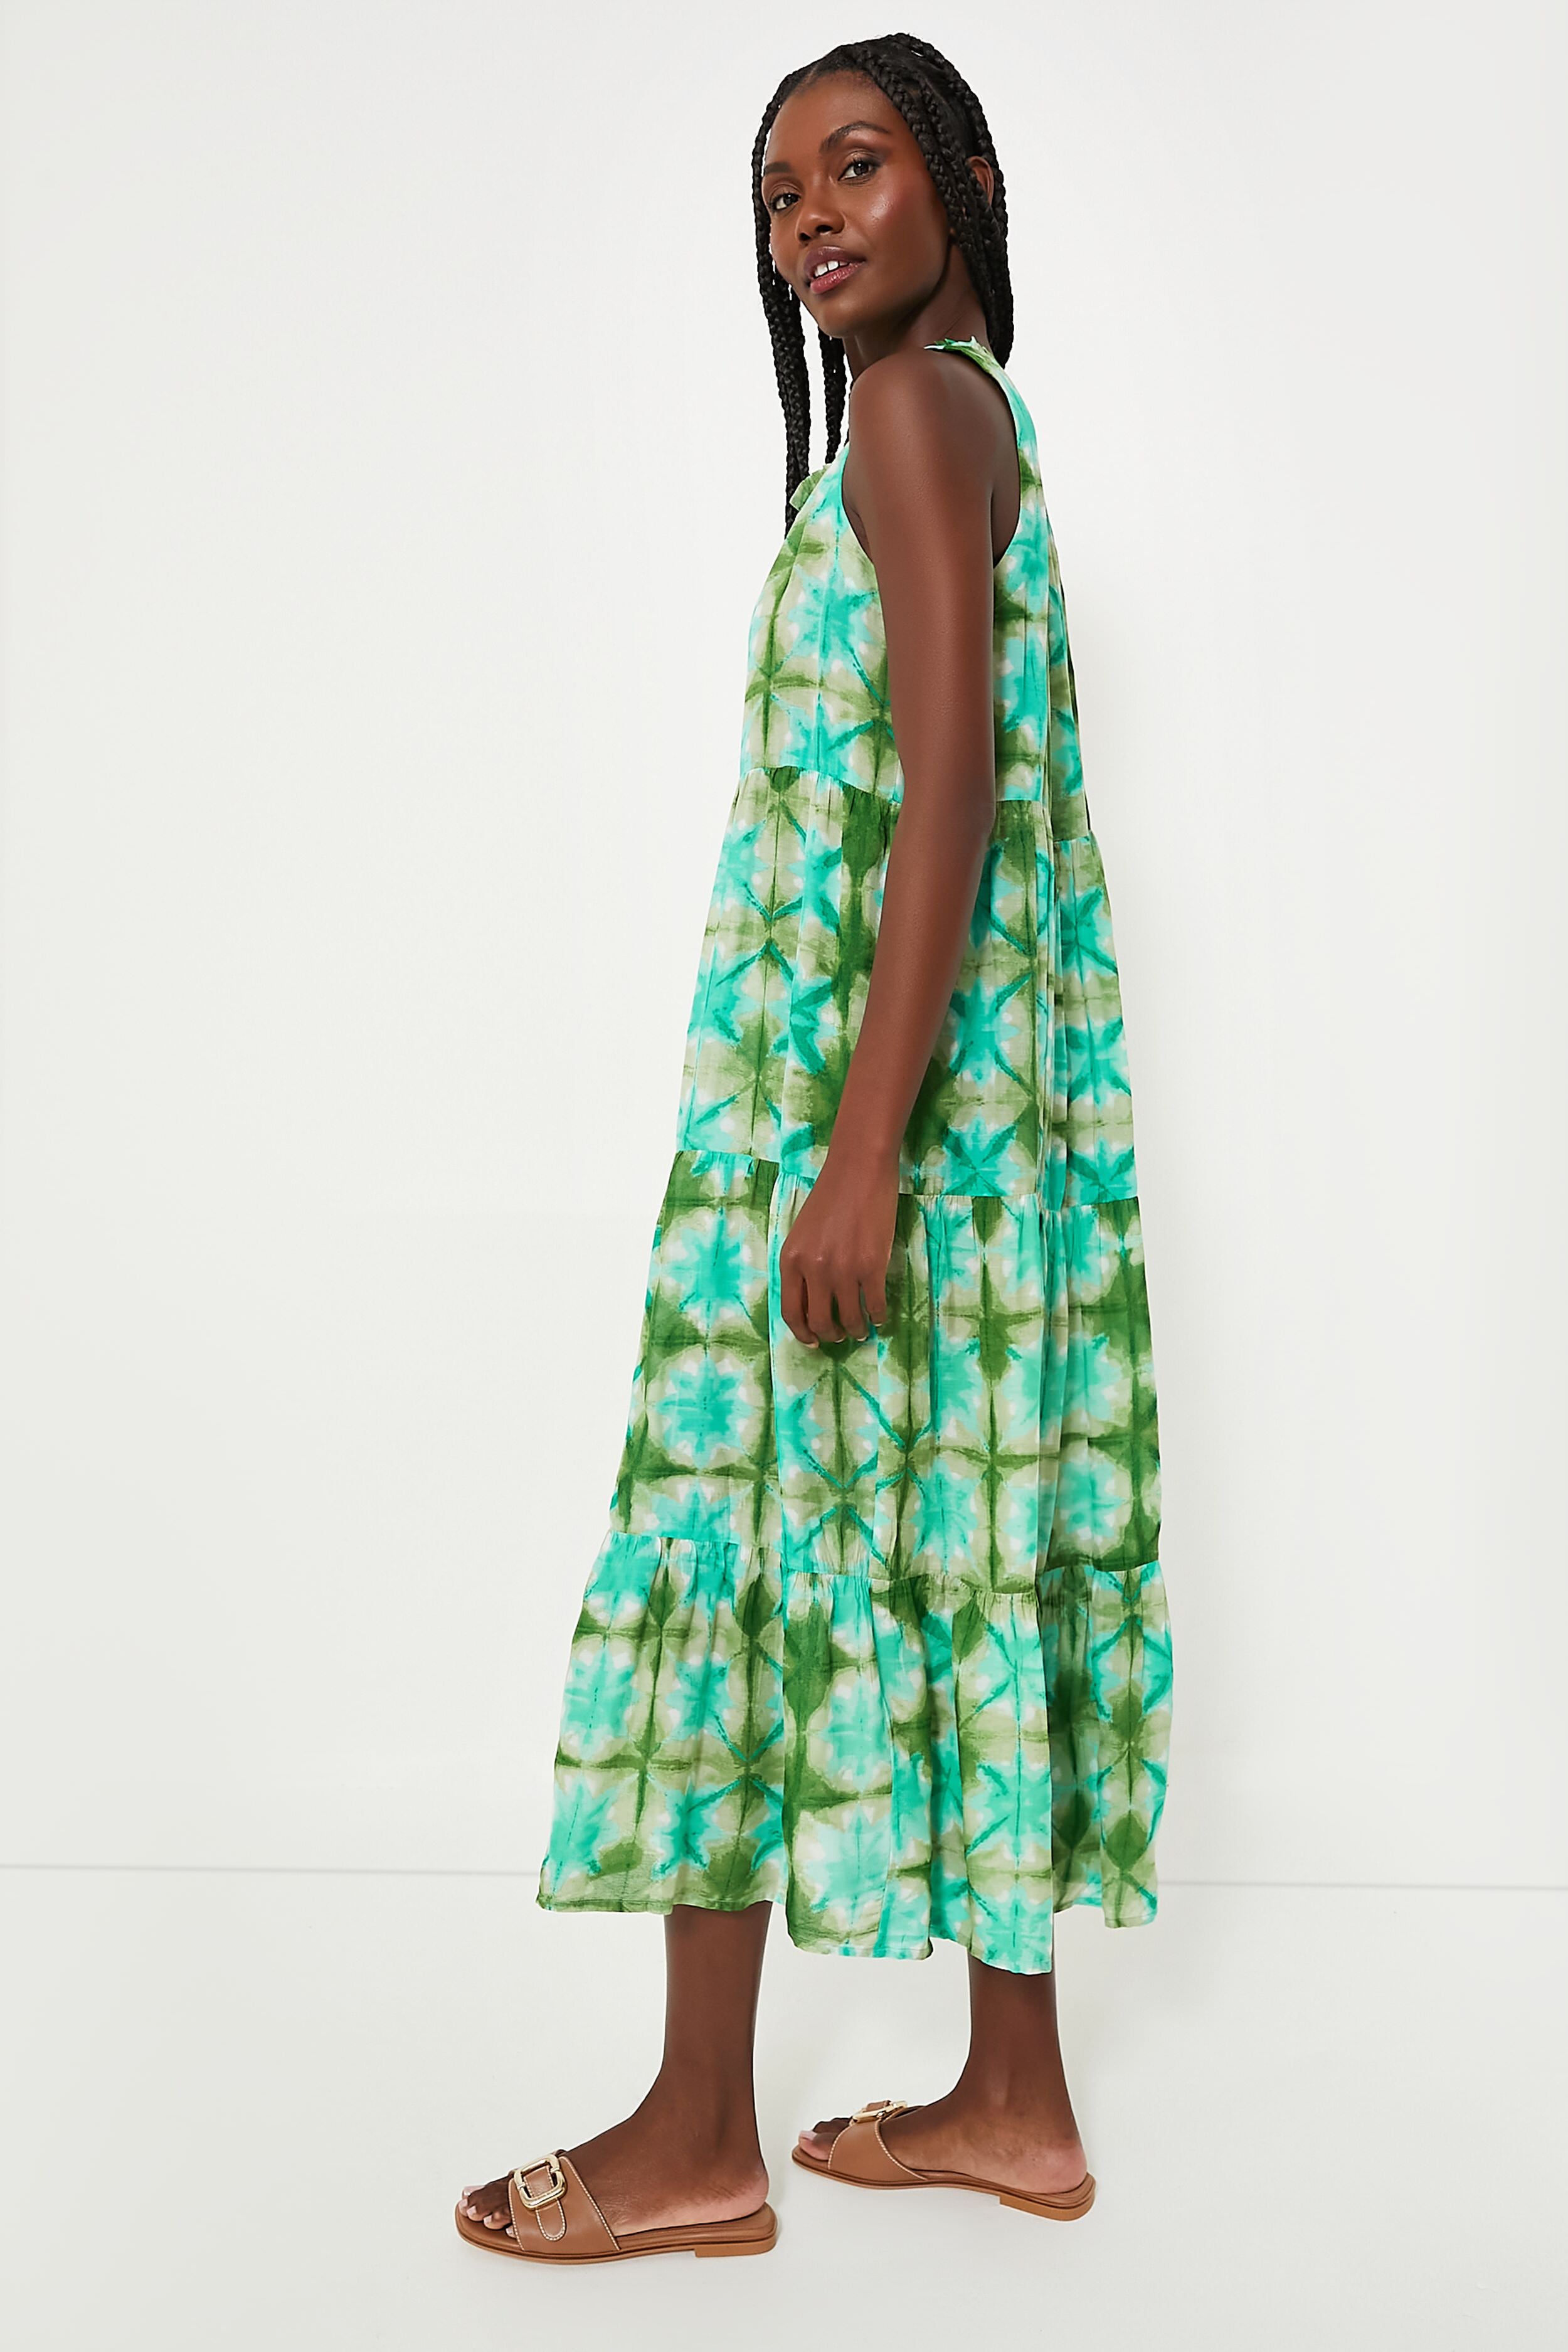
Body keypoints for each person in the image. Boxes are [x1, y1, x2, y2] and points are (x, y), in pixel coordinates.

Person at [457, 31, 1172, 2267]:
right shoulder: (971, 423)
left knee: (737, 1550)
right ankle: (1016, 2105)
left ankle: (695, 2137)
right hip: (983, 1136)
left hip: (856, 1121)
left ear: (961, 180)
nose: (812, 222)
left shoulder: (911, 420)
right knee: (972, 1536)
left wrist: (854, 1157)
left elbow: (947, 786)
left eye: (854, 166)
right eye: (780, 197)